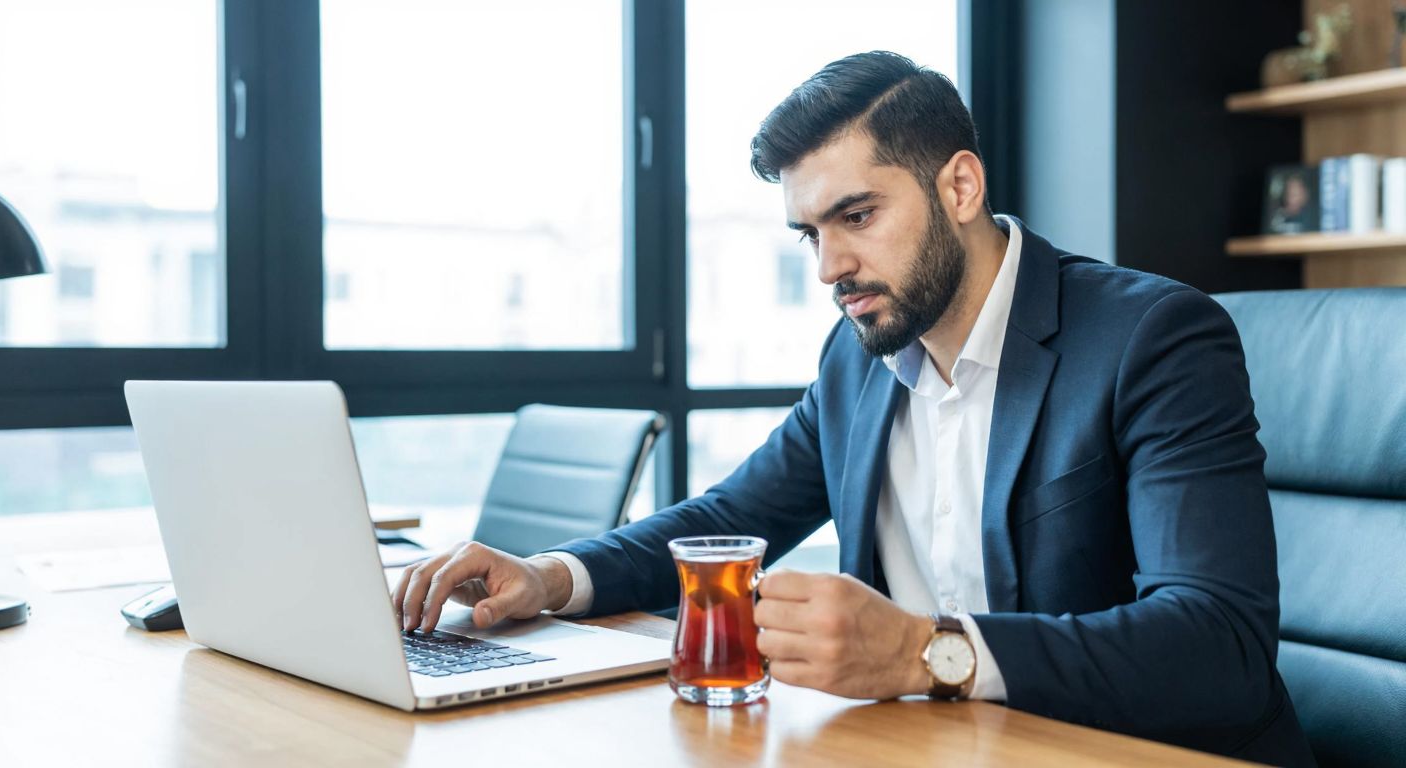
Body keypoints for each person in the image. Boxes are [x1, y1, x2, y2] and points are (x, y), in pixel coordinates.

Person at [394, 51, 1314, 766]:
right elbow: (727, 519)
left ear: (960, 186)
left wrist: (923, 653)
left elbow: (1218, 646)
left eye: (857, 216)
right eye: (810, 233)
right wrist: (550, 578)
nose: (829, 267)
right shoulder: (861, 356)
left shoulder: (1152, 337)